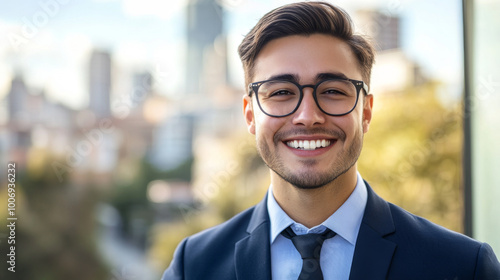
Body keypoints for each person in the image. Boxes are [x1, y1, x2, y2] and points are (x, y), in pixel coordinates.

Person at [162, 2, 500, 279]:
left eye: (333, 91)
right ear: (250, 114)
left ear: (366, 111)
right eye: (281, 92)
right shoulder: (194, 266)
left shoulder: (462, 266)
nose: (308, 115)